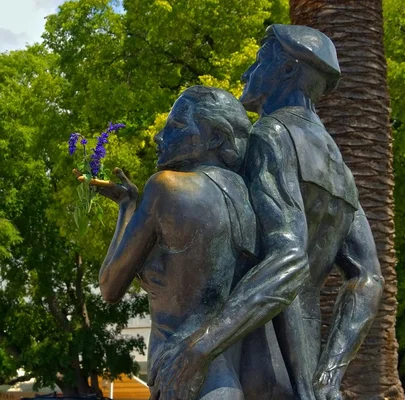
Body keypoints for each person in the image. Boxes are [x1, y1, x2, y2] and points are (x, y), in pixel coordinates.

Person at [148, 25, 385, 400]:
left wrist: (199, 347)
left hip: (251, 358)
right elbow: (368, 279)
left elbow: (288, 260)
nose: (246, 74)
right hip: (303, 365)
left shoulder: (270, 135)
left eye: (259, 61)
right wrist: (328, 376)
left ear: (288, 70)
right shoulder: (340, 168)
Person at [90, 86, 272, 399]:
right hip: (228, 384)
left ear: (215, 138)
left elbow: (109, 286)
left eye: (175, 127)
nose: (159, 137)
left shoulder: (165, 188)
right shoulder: (251, 198)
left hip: (179, 381)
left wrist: (127, 208)